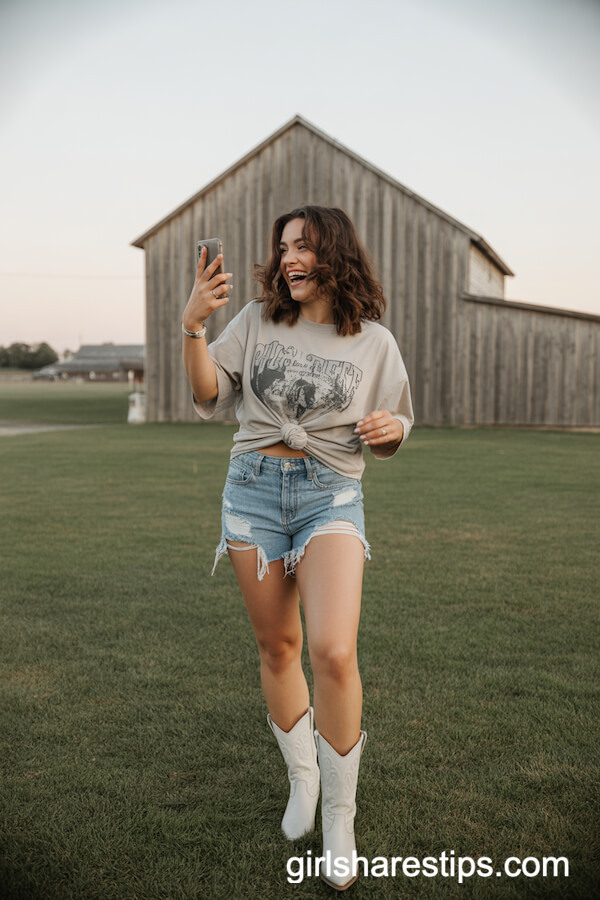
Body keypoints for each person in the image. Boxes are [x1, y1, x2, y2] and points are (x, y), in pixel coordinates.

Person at [182, 205, 414, 890]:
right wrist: (193, 326)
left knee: (333, 651)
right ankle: (304, 780)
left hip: (330, 493)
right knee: (279, 647)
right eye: (283, 247)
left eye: (303, 246)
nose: (288, 259)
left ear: (334, 255)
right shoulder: (257, 320)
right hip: (252, 491)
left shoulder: (375, 342)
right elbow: (209, 394)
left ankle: (340, 816)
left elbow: (398, 421)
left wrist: (391, 430)